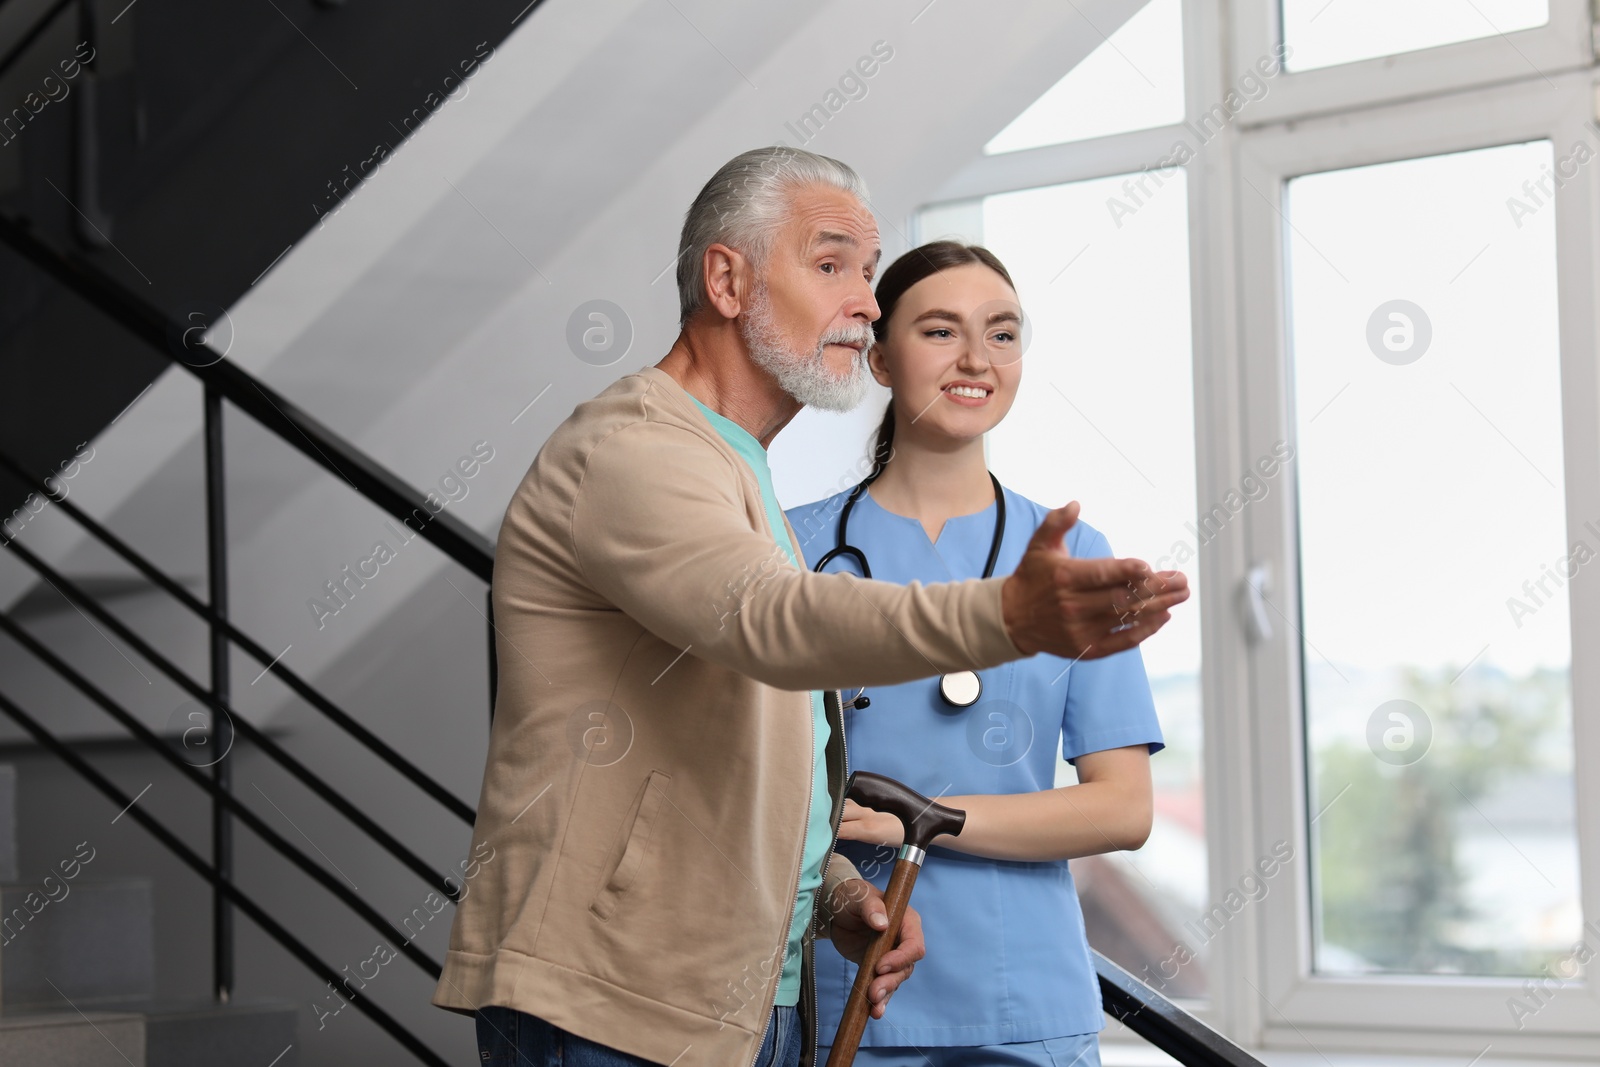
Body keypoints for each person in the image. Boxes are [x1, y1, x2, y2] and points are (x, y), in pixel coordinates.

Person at [430, 147, 1188, 1067]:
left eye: (868, 275)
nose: (865, 302)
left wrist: (835, 897)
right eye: (832, 266)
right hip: (616, 1002)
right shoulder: (633, 451)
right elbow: (774, 621)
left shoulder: (739, 476)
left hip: (746, 1000)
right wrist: (1009, 619)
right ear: (726, 279)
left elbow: (747, 763)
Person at [788, 241, 1164, 1067]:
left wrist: (920, 820)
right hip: (853, 985)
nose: (975, 359)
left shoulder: (1068, 556)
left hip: (1026, 995)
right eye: (939, 331)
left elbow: (1122, 808)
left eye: (1002, 333)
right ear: (880, 359)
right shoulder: (795, 547)